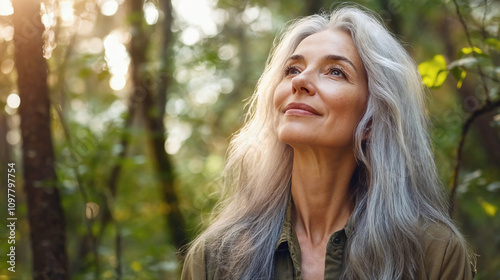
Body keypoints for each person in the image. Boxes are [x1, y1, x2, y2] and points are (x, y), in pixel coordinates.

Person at [181, 5, 476, 280]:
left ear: (373, 118)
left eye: (335, 71)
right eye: (292, 70)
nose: (300, 81)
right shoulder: (216, 258)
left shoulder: (433, 254)